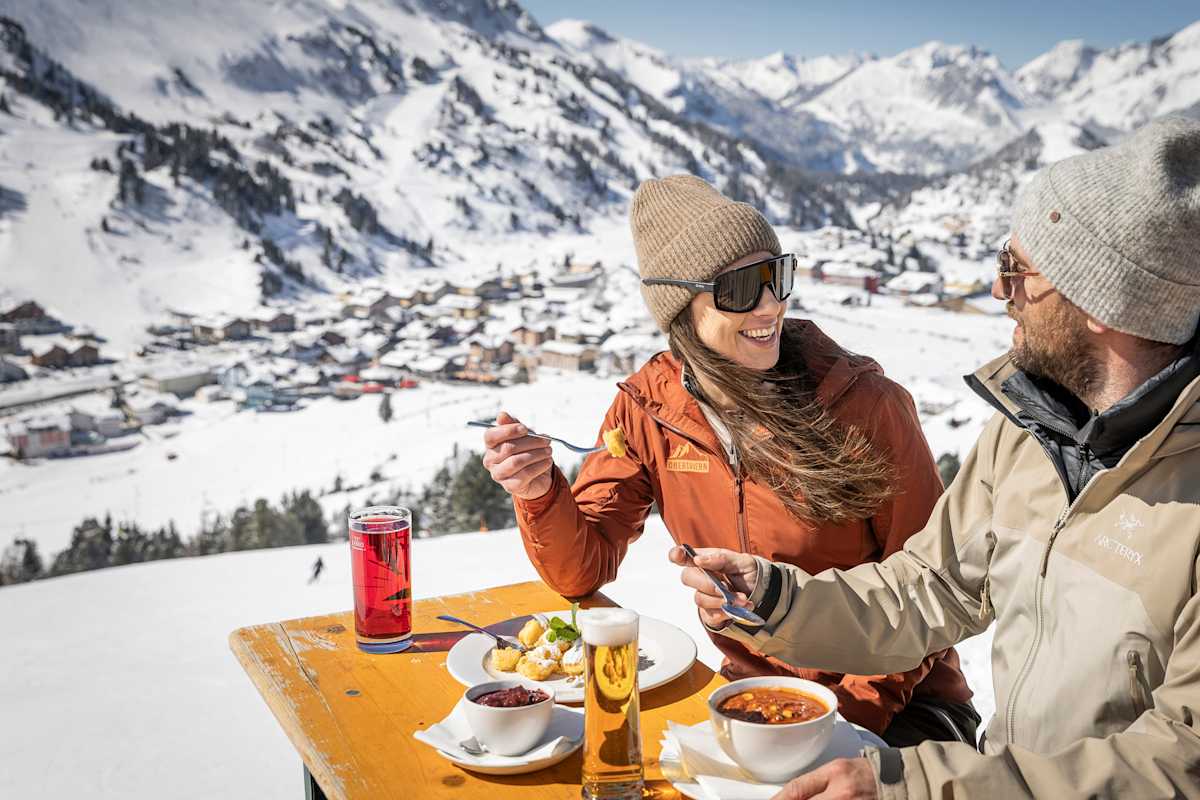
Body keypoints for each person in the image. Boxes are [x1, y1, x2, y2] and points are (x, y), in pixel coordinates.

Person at [675, 116, 1200, 799]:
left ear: (1102, 301)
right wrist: (777, 599)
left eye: (1017, 272)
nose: (997, 292)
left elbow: (1179, 762)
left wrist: (916, 787)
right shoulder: (1033, 433)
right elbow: (933, 588)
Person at [482, 175, 976, 745]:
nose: (771, 304)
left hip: (898, 707)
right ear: (680, 307)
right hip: (749, 703)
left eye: (777, 276)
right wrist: (539, 490)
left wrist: (839, 719)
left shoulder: (864, 406)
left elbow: (930, 587)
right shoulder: (649, 409)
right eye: (741, 288)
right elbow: (581, 570)